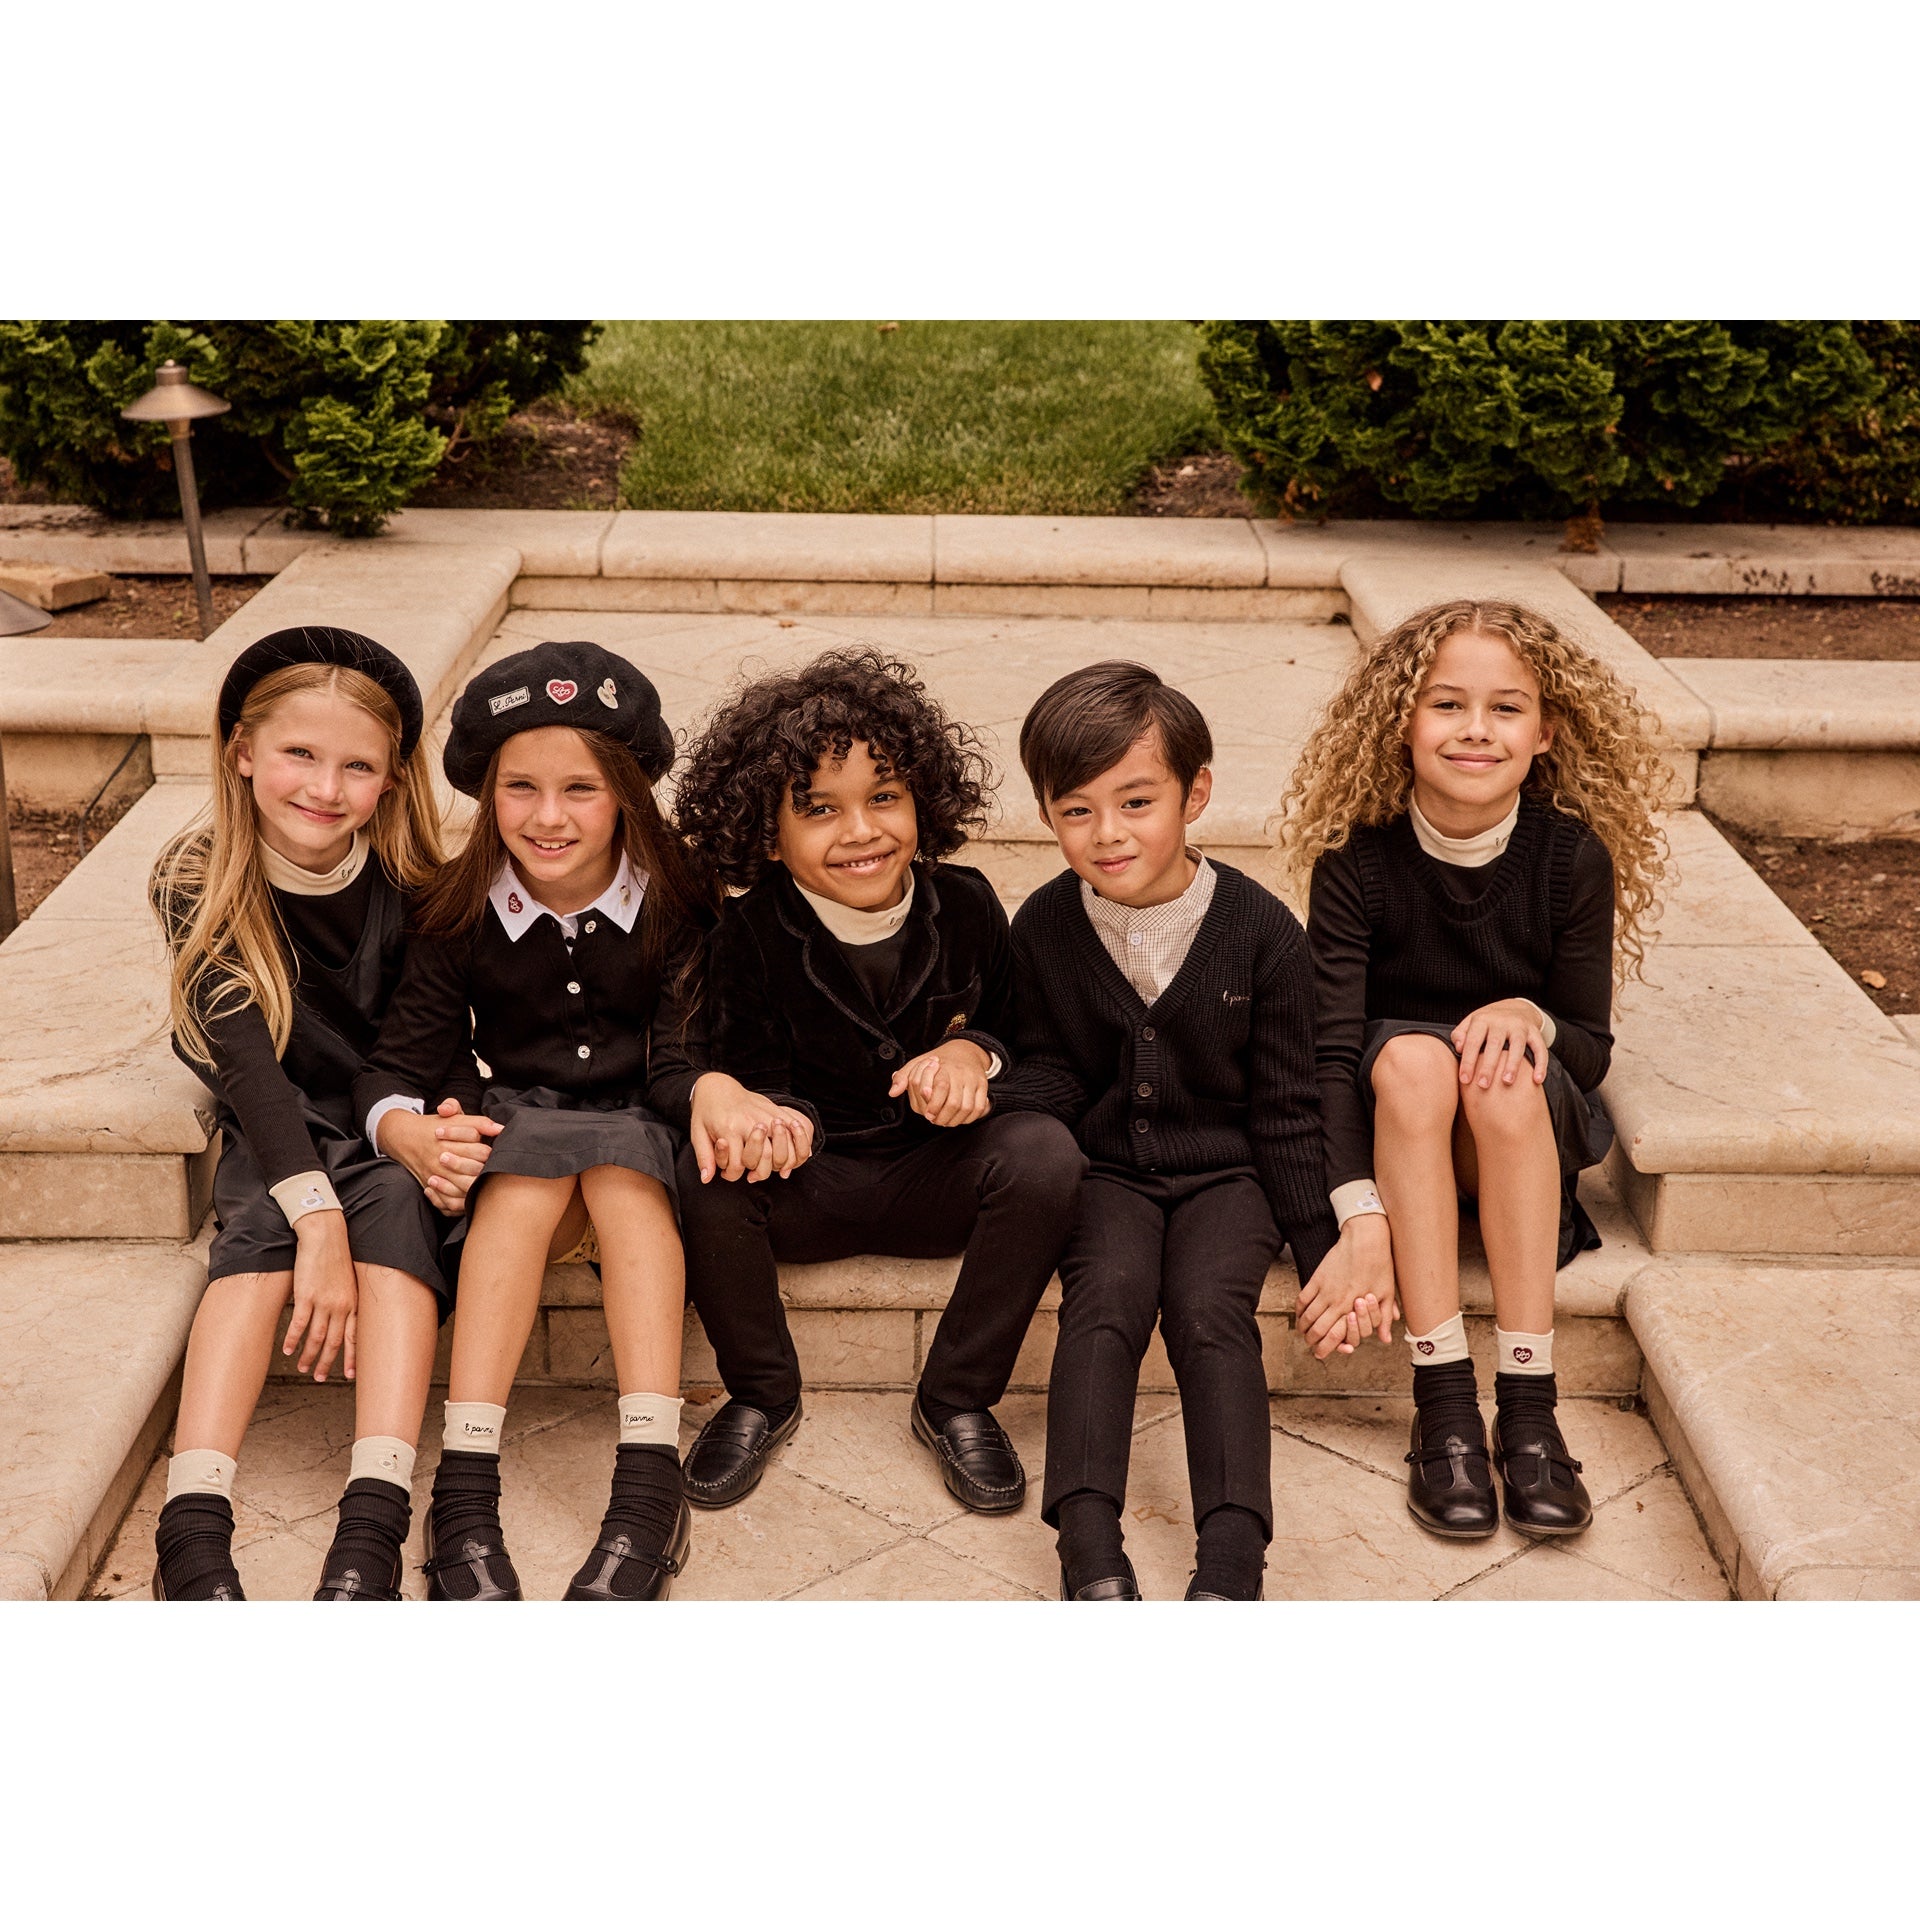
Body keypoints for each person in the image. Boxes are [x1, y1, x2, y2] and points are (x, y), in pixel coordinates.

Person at [353, 640, 786, 1599]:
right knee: (525, 1178)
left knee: (624, 1175)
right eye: (521, 788)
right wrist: (404, 1129)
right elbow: (396, 1065)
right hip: (527, 1151)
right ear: (487, 793)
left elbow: (680, 1060)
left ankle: (647, 1486)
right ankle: (465, 1486)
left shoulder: (680, 899)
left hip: (647, 1133)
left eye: (581, 789)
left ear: (627, 792)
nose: (548, 818)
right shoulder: (456, 909)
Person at [1279, 598, 1668, 1542]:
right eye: (1447, 704)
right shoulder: (1356, 861)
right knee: (1416, 1059)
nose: (1476, 730)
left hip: (1516, 1127)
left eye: (1506, 708)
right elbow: (1329, 1053)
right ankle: (1445, 1405)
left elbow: (1588, 1043)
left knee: (1499, 1066)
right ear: (1400, 721)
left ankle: (1530, 1408)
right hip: (1403, 1122)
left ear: (1546, 732)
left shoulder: (1570, 857)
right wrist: (1359, 1214)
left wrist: (1529, 1014)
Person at [669, 646, 1087, 1515]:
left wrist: (977, 1058)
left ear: (922, 801)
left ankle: (956, 1398)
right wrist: (771, 1120)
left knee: (1046, 1155)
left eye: (883, 797)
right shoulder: (748, 934)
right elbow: (746, 1071)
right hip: (808, 1185)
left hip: (937, 1176)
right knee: (701, 1173)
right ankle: (761, 1393)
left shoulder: (967, 904)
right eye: (819, 808)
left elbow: (1042, 1059)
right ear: (768, 833)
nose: (860, 831)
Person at [993, 661, 1373, 1601]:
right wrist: (987, 1087)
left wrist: (1324, 1247)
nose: (1108, 833)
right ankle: (1088, 1550)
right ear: (1045, 815)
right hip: (1107, 1173)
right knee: (1105, 1304)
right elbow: (1051, 1067)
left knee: (1210, 1313)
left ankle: (1232, 1562)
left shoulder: (1261, 932)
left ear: (1194, 794)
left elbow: (1287, 1108)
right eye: (1076, 810)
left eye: (1136, 802)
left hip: (1228, 1177)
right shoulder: (1043, 926)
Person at [148, 625, 488, 1601]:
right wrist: (318, 1220)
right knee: (259, 1225)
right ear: (241, 751)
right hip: (276, 1110)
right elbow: (250, 1073)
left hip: (383, 1109)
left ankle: (374, 1519)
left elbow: (435, 1039)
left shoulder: (416, 884)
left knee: (398, 1208)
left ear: (392, 779)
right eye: (299, 753)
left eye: (358, 766)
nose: (325, 788)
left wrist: (443, 1126)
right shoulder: (195, 877)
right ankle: (192, 1524)